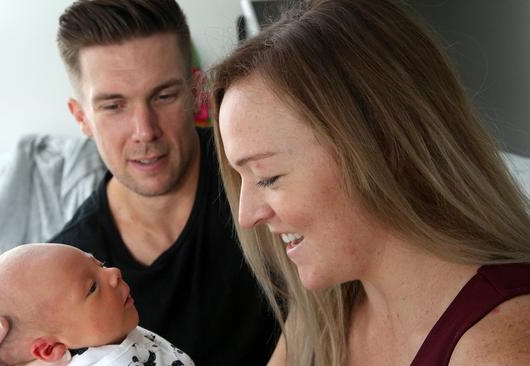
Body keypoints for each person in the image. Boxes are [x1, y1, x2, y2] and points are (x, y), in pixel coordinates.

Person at [0, 1, 279, 365]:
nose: (145, 131)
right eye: (113, 106)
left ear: (196, 92)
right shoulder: (63, 277)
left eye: (164, 95)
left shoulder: (264, 175)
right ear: (81, 117)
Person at [208, 0, 530, 365]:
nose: (246, 216)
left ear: (379, 146)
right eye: (242, 178)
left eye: (268, 177)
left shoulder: (500, 347)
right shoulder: (328, 310)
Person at [0, 243, 194, 366]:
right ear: (50, 349)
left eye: (99, 264)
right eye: (92, 287)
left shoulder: (111, 336)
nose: (113, 273)